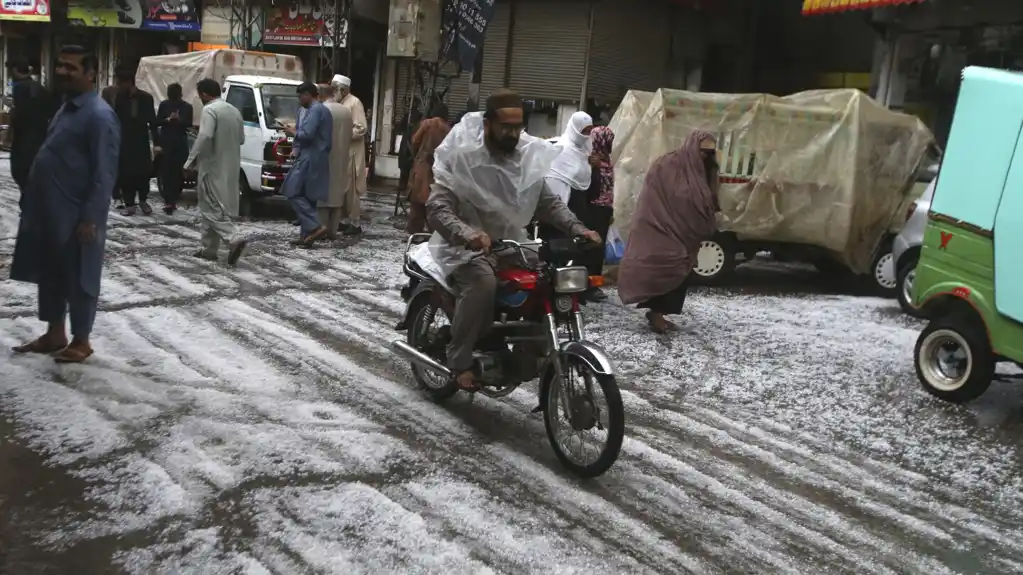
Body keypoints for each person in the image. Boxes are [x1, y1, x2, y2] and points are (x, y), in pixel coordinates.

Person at [426, 89, 601, 392]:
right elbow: (437, 207)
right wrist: (468, 234)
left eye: (517, 126)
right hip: (464, 247)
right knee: (483, 283)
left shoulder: (525, 158)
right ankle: (459, 360)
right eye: (505, 126)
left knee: (546, 280)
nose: (512, 133)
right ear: (487, 124)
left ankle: (530, 349)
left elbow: (547, 202)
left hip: (510, 245)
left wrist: (577, 229)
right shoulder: (463, 155)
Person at [9, 45, 120, 364]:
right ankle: (55, 333)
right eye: (59, 66)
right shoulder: (65, 108)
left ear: (91, 74)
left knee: (81, 276)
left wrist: (90, 218)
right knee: (51, 273)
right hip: (48, 211)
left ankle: (81, 339)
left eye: (71, 68)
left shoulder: (99, 116)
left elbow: (104, 173)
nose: (62, 72)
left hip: (77, 215)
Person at [617, 131, 721, 334]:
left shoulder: (704, 170)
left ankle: (659, 312)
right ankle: (655, 314)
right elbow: (657, 195)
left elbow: (709, 197)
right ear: (691, 147)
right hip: (660, 226)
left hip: (686, 233)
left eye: (710, 153)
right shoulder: (666, 164)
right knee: (663, 267)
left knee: (681, 271)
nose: (705, 157)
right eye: (702, 151)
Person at [183, 78, 247, 265]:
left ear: (204, 94)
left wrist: (189, 162)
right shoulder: (234, 111)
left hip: (211, 167)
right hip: (230, 168)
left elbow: (205, 135)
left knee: (210, 207)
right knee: (210, 207)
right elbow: (241, 139)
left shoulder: (209, 110)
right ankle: (208, 249)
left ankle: (233, 237)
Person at [281, 81, 331, 246]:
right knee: (308, 196)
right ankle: (306, 236)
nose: (299, 99)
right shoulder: (318, 109)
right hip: (317, 157)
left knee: (291, 190)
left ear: (308, 95)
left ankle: (316, 226)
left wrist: (292, 132)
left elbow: (307, 134)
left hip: (310, 156)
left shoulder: (316, 110)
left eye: (301, 96)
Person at [6, 57, 54, 206]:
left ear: (14, 71)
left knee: (21, 171)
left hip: (25, 139)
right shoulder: (39, 88)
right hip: (39, 136)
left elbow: (19, 114)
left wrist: (11, 129)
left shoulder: (21, 88)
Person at [112, 67, 159, 216]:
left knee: (143, 173)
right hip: (124, 140)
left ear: (128, 82)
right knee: (125, 173)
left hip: (141, 140)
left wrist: (157, 143)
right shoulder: (119, 97)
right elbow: (115, 119)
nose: (118, 85)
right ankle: (129, 203)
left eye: (120, 82)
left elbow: (152, 121)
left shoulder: (146, 98)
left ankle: (143, 200)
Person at [540, 111, 593, 240]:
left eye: (589, 131)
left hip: (579, 207)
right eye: (583, 131)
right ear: (574, 129)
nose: (586, 135)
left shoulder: (586, 152)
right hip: (560, 205)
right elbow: (551, 178)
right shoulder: (560, 148)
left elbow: (586, 180)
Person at [578, 126, 616, 301]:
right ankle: (584, 287)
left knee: (598, 252)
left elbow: (609, 189)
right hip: (592, 210)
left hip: (604, 211)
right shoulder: (590, 160)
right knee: (590, 250)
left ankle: (594, 285)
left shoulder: (606, 160)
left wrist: (611, 209)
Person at [331, 74, 367, 235]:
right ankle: (344, 221)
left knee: (352, 190)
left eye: (335, 89)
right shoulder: (340, 103)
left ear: (343, 90)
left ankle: (355, 223)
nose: (333, 92)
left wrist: (342, 135)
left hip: (352, 153)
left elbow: (361, 128)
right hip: (342, 152)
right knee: (342, 189)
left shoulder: (354, 102)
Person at [406, 103, 450, 234]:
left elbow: (415, 141)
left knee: (417, 203)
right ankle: (433, 232)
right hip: (438, 168)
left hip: (422, 166)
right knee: (434, 202)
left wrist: (416, 156)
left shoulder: (427, 124)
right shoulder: (448, 129)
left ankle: (414, 232)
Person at [317, 82, 353, 239]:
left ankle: (322, 229)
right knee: (337, 193)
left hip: (324, 156)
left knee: (323, 196)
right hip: (343, 155)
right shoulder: (346, 111)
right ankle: (333, 230)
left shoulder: (322, 110)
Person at [155, 82, 193, 215]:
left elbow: (188, 123)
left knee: (178, 172)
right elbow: (157, 121)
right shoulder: (164, 105)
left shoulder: (187, 107)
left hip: (180, 142)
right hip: (166, 142)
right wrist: (167, 120)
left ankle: (173, 198)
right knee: (166, 172)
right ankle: (168, 200)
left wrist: (178, 120)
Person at [396, 108, 421, 192]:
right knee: (404, 171)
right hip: (406, 152)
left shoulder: (415, 128)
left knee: (406, 171)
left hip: (407, 153)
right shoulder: (409, 126)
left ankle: (405, 186)